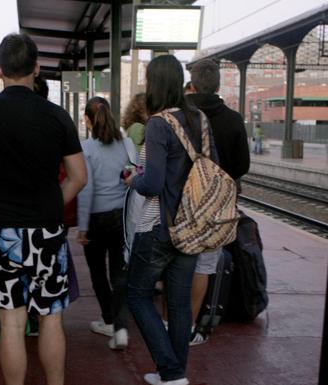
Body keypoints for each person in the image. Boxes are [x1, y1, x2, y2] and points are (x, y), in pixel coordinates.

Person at [0, 33, 87, 385]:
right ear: (36, 68)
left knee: (10, 320)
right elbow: (78, 177)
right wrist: (51, 202)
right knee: (51, 318)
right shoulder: (57, 116)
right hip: (48, 231)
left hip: (0, 232)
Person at [124, 54, 218, 385]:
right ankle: (175, 375)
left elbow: (151, 183)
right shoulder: (200, 120)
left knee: (136, 294)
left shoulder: (158, 123)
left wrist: (131, 179)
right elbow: (212, 169)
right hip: (193, 226)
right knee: (178, 304)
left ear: (154, 84)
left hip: (159, 228)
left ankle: (171, 370)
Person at [186, 58, 250, 346]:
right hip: (220, 203)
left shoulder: (180, 115)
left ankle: (168, 322)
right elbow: (242, 164)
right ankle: (189, 327)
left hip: (184, 200)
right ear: (218, 84)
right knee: (205, 264)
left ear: (193, 83)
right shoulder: (233, 119)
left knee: (179, 260)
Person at [78, 96, 136, 350]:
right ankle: (121, 328)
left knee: (98, 271)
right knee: (119, 272)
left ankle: (109, 319)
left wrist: (82, 226)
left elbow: (86, 190)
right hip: (120, 216)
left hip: (95, 218)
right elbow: (134, 174)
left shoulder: (87, 149)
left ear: (88, 120)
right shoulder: (126, 144)